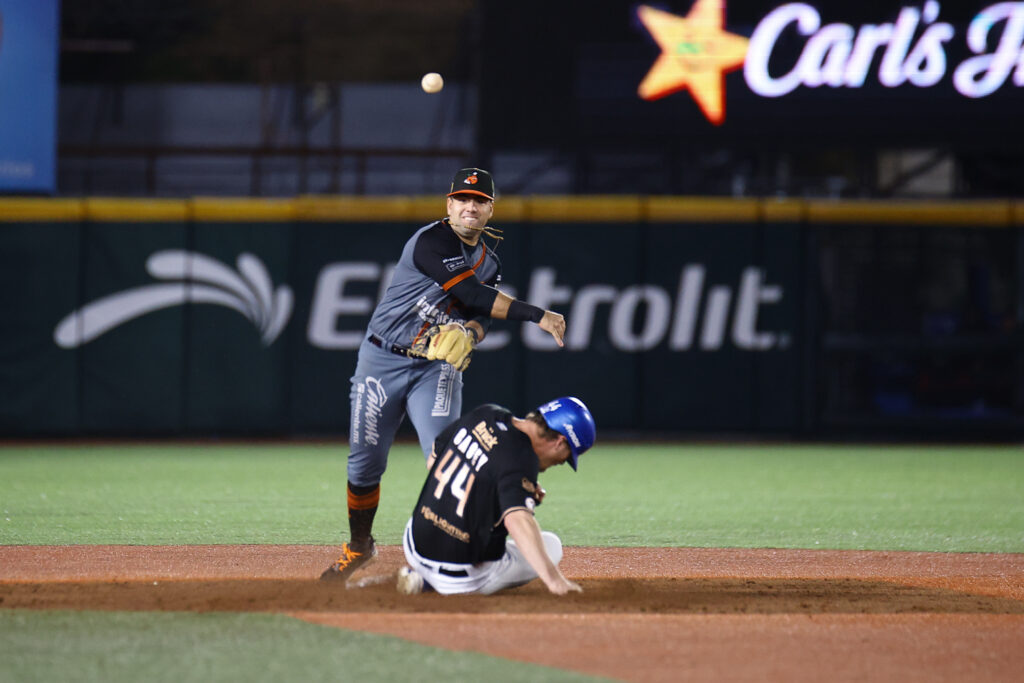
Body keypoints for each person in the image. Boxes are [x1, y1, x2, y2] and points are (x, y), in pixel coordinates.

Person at [321, 168, 568, 583]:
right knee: (364, 466)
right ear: (448, 205)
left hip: (435, 367)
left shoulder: (490, 262)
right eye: (461, 199)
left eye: (479, 201)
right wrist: (536, 314)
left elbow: (477, 314)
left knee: (447, 453)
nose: (469, 207)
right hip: (381, 360)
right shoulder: (431, 241)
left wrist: (470, 332)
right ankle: (359, 547)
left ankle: (452, 551)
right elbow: (471, 294)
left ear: (491, 209)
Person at [396, 396, 596, 596]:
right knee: (552, 546)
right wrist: (555, 581)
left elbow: (434, 460)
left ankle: (422, 575)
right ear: (560, 442)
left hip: (415, 544)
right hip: (457, 578)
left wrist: (501, 485)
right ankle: (432, 585)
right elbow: (518, 521)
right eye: (567, 457)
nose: (561, 463)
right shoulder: (522, 458)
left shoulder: (487, 413)